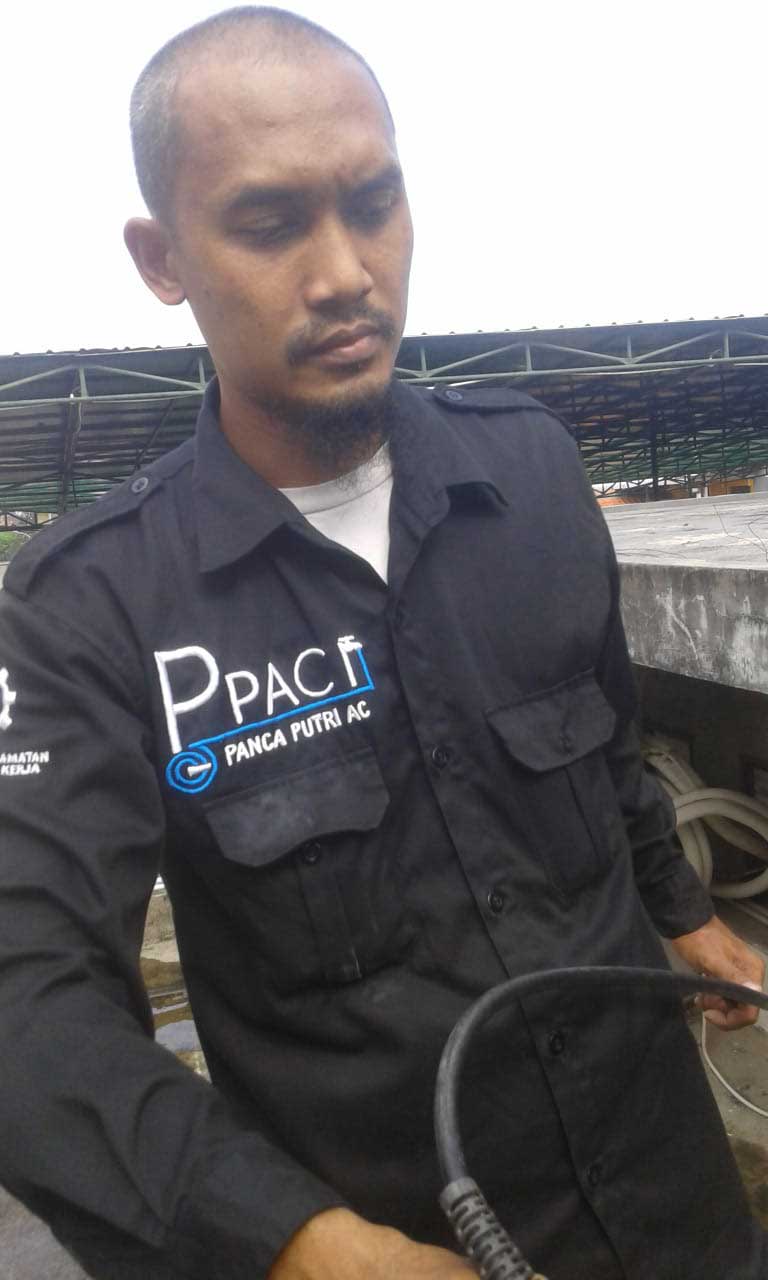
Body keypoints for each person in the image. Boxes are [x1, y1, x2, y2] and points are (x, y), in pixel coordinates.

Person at [0, 8, 765, 1279]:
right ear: (162, 257)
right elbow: (26, 1000)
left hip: (679, 1205)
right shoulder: (94, 603)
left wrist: (683, 913)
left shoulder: (534, 471)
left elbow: (609, 750)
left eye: (374, 203)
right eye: (269, 223)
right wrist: (292, 1240)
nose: (346, 271)